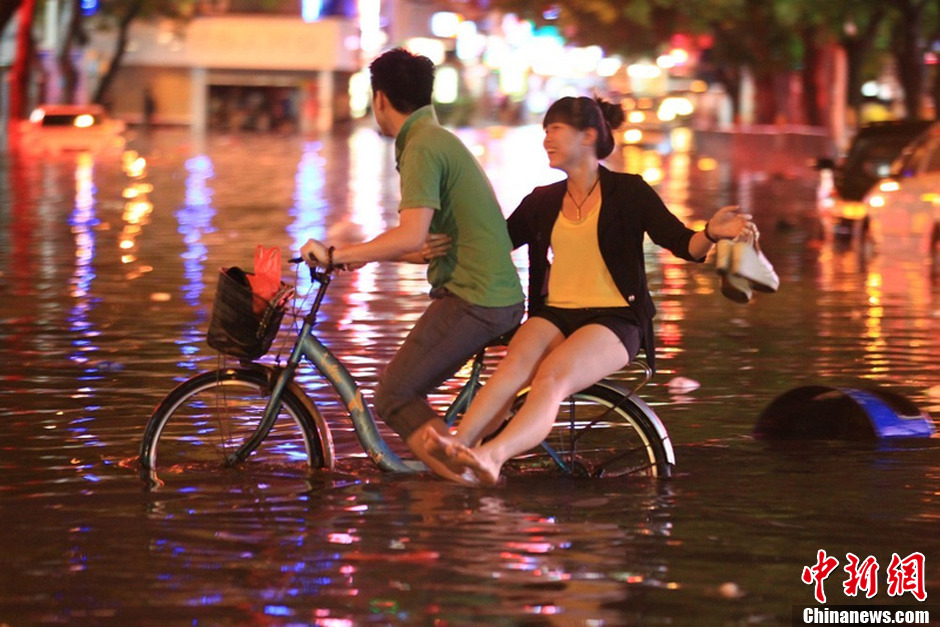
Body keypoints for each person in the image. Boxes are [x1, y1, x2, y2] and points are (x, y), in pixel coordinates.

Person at [423, 95, 754, 485]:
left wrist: (712, 232)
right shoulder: (542, 201)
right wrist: (440, 246)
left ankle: (492, 457)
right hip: (554, 314)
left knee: (551, 377)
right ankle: (459, 445)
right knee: (511, 369)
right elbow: (493, 247)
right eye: (545, 130)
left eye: (555, 129)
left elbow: (684, 245)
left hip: (616, 318)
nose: (546, 139)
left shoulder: (629, 192)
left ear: (588, 136)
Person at [300, 48, 524, 477]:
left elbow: (410, 235)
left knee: (394, 394)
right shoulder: (432, 139)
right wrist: (359, 257)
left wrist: (337, 255)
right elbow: (423, 245)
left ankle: (463, 483)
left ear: (380, 98)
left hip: (477, 299)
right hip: (487, 292)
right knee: (401, 389)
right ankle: (457, 471)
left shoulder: (422, 146)